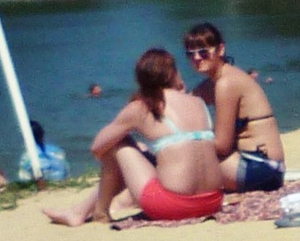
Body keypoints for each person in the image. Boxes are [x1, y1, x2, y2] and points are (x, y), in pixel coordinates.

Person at [43, 48, 224, 226]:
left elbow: (97, 147)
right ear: (173, 73)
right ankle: (81, 211)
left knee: (118, 142)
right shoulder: (198, 102)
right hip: (212, 201)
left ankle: (98, 212)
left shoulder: (142, 107)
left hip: (173, 206)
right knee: (143, 151)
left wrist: (116, 166)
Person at [183, 21, 285, 193]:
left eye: (203, 52)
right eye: (190, 54)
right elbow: (185, 103)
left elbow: (222, 146)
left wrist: (186, 142)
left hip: (260, 167)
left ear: (220, 50)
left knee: (184, 164)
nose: (197, 58)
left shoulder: (226, 83)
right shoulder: (218, 80)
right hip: (268, 167)